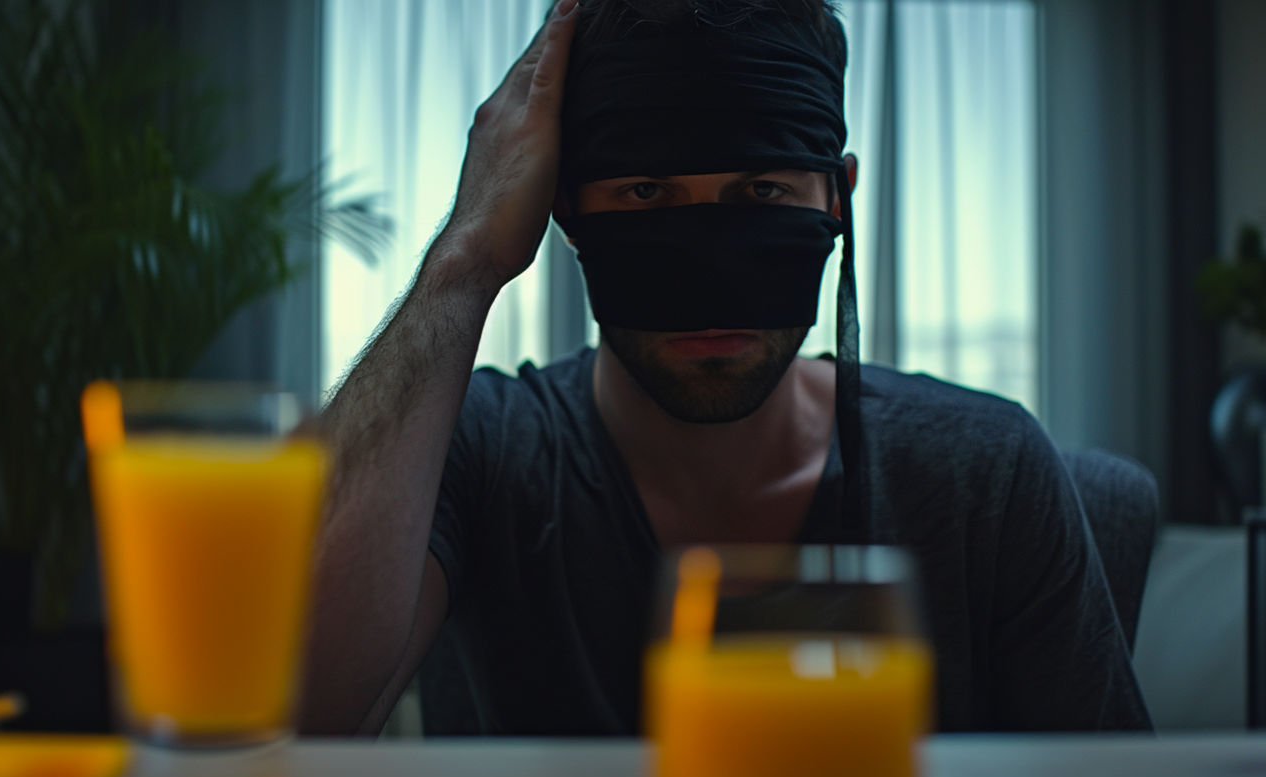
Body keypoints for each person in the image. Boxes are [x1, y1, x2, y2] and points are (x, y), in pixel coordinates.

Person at [298, 0, 1152, 737]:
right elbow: (290, 712)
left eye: (760, 194)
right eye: (646, 194)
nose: (709, 271)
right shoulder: (481, 451)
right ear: (563, 211)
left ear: (838, 202)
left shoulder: (986, 474)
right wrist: (465, 255)